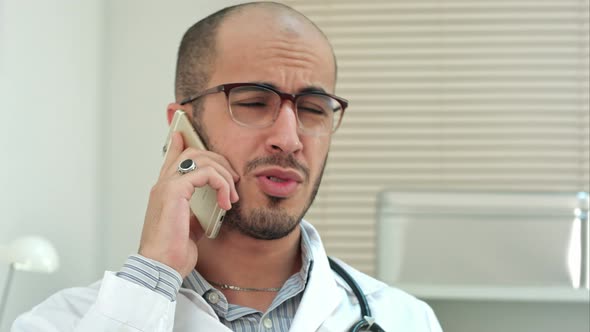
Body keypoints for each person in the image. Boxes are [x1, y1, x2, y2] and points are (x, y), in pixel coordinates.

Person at [12, 2, 442, 331]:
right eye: (254, 102)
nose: (290, 139)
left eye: (313, 109)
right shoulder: (63, 320)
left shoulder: (405, 319)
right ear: (181, 125)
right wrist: (154, 273)